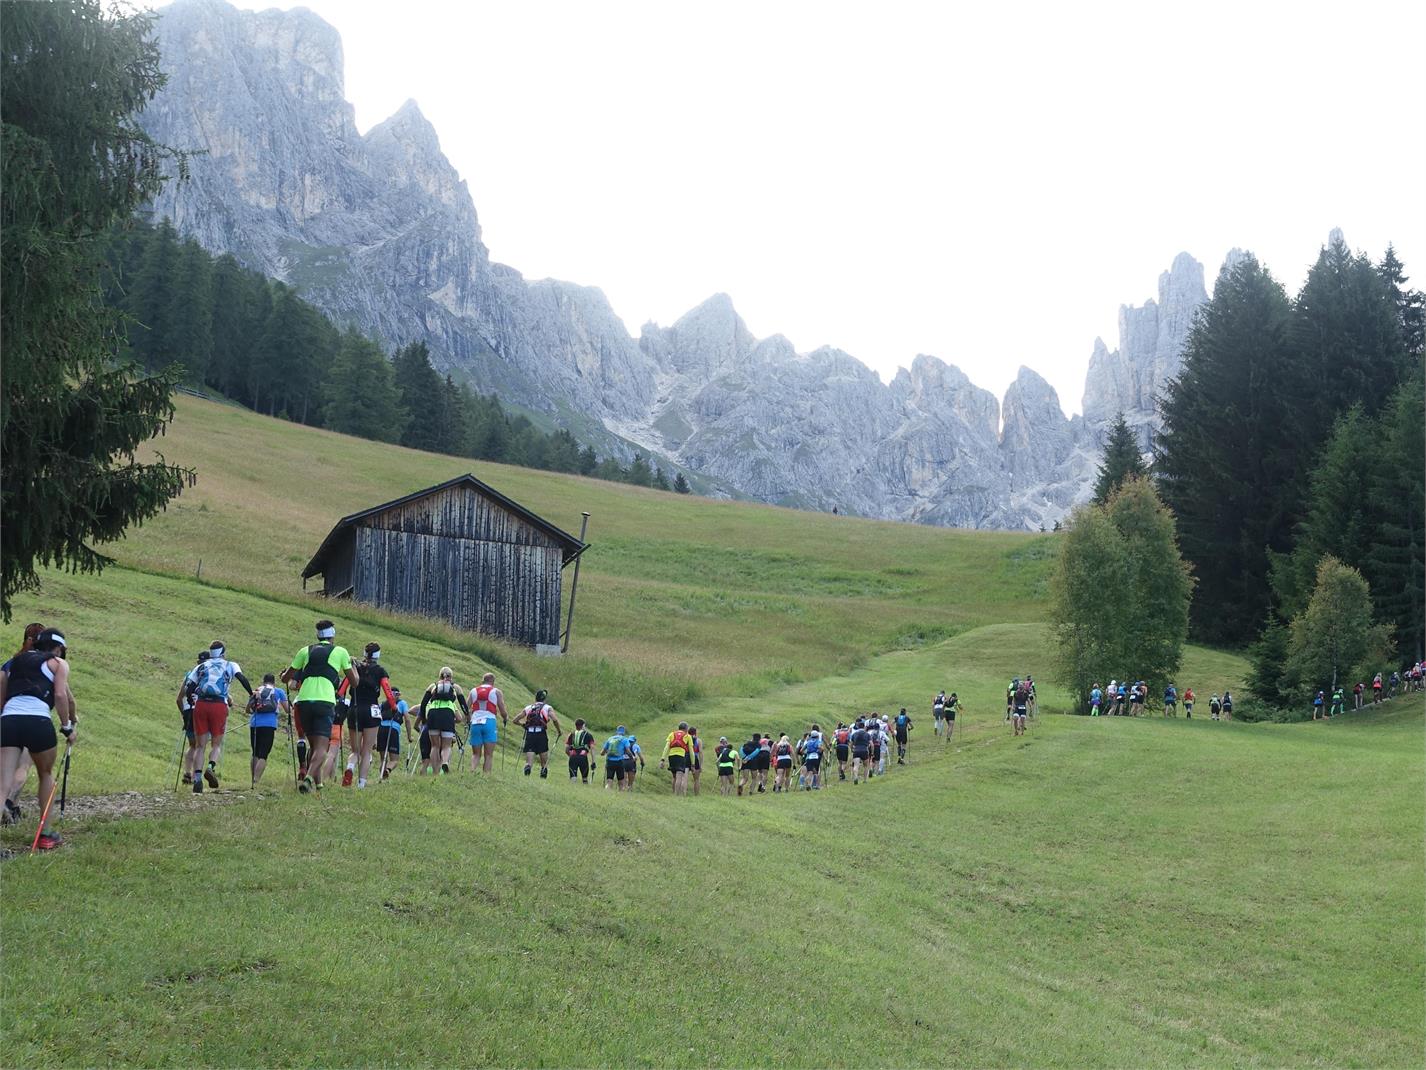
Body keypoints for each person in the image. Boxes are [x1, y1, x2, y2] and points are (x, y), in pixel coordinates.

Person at [0, 628, 74, 848]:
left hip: (9, 720)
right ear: (59, 648)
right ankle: (46, 835)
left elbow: (2, 693)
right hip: (38, 721)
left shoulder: (14, 662)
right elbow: (61, 695)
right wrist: (67, 727)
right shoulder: (58, 664)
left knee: (2, 785)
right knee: (45, 775)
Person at [282, 620, 360, 794]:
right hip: (324, 702)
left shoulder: (305, 650)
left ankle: (318, 787)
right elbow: (354, 682)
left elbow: (286, 678)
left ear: (317, 635)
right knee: (321, 748)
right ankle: (309, 779)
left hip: (303, 702)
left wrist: (284, 675)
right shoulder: (340, 652)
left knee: (313, 746)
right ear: (332, 635)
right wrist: (353, 666)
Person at [185, 640, 254, 793]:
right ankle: (211, 766)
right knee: (216, 744)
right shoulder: (230, 664)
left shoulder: (201, 666)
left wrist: (190, 699)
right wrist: (251, 694)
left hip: (201, 705)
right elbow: (241, 678)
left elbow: (189, 687)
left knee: (200, 746)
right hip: (219, 705)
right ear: (223, 652)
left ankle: (197, 779)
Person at [0, 624, 45, 823]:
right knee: (23, 766)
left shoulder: (10, 664)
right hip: (32, 718)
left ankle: (13, 807)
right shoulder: (46, 665)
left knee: (5, 770)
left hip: (7, 718)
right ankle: (9, 803)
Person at [344, 643, 399, 787]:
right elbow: (387, 691)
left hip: (354, 708)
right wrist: (394, 707)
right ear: (378, 656)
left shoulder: (355, 667)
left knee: (355, 751)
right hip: (371, 711)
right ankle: (361, 784)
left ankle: (350, 767)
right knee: (366, 751)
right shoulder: (380, 671)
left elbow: (343, 687)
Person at [420, 667, 469, 775]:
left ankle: (435, 772)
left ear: (440, 675)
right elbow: (463, 705)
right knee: (446, 745)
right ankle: (445, 762)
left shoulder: (433, 686)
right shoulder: (455, 687)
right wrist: (467, 717)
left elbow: (423, 704)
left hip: (433, 713)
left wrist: (424, 719)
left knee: (434, 746)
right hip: (447, 714)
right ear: (451, 676)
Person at [245, 673, 290, 788]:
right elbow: (287, 710)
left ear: (263, 681)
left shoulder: (257, 690)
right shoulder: (278, 691)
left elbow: (248, 709)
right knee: (263, 754)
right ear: (274, 682)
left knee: (255, 752)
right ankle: (256, 781)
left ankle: (252, 780)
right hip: (269, 725)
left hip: (255, 723)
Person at [173, 649, 207, 787]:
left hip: (188, 711)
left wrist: (184, 714)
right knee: (201, 746)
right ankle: (195, 776)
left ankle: (187, 773)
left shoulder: (189, 675)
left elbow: (179, 699)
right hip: (202, 711)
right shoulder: (210, 675)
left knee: (192, 744)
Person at [466, 673, 507, 774]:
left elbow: (466, 708)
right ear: (492, 681)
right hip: (489, 722)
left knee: (476, 754)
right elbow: (502, 709)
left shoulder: (473, 691)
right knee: (488, 755)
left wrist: (468, 719)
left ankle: (472, 771)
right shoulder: (496, 691)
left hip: (475, 722)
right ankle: (486, 776)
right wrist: (505, 718)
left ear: (483, 680)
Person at [515, 689, 561, 779]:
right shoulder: (548, 708)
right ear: (545, 699)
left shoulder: (529, 708)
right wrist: (559, 731)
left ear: (535, 698)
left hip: (530, 734)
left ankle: (528, 768)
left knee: (529, 760)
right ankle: (543, 773)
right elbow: (555, 720)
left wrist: (523, 725)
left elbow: (515, 720)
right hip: (541, 734)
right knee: (544, 761)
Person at [377, 687, 409, 779]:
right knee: (394, 760)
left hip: (381, 729)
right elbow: (407, 719)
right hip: (393, 729)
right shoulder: (402, 703)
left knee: (383, 759)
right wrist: (409, 735)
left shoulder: (383, 704)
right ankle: (387, 770)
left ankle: (381, 778)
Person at [660, 721, 694, 796]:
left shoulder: (671, 734)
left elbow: (666, 747)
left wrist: (662, 759)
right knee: (679, 775)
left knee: (674, 776)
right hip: (680, 756)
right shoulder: (687, 736)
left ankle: (673, 793)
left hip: (671, 756)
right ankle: (676, 795)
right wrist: (693, 764)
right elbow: (691, 751)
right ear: (686, 729)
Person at [566, 718, 595, 784]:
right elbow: (592, 748)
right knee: (584, 778)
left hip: (573, 757)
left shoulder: (571, 734)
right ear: (583, 725)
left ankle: (573, 791)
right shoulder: (588, 735)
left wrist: (571, 756)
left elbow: (566, 749)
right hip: (583, 757)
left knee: (573, 777)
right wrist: (593, 762)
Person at [849, 719, 871, 784]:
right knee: (866, 766)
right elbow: (871, 744)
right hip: (864, 750)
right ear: (864, 727)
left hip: (856, 750)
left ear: (858, 727)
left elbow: (851, 744)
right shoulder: (867, 734)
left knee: (856, 765)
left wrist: (852, 749)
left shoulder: (854, 734)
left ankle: (856, 777)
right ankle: (865, 780)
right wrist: (872, 752)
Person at [689, 726, 703, 796]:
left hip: (686, 757)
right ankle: (696, 795)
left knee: (683, 777)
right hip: (695, 758)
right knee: (696, 779)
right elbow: (700, 752)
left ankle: (682, 793)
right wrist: (701, 765)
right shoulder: (698, 740)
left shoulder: (686, 738)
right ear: (695, 733)